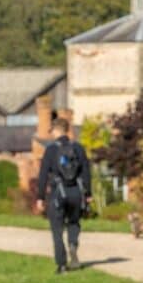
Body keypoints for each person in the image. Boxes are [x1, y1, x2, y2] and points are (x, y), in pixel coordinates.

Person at [35, 114, 91, 274]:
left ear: (56, 130)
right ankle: (73, 244)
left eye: (52, 131)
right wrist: (88, 193)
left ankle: (62, 265)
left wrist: (40, 197)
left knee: (57, 229)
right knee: (74, 222)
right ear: (68, 130)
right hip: (76, 193)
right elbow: (86, 171)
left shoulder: (51, 150)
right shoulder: (78, 148)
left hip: (58, 193)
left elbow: (43, 174)